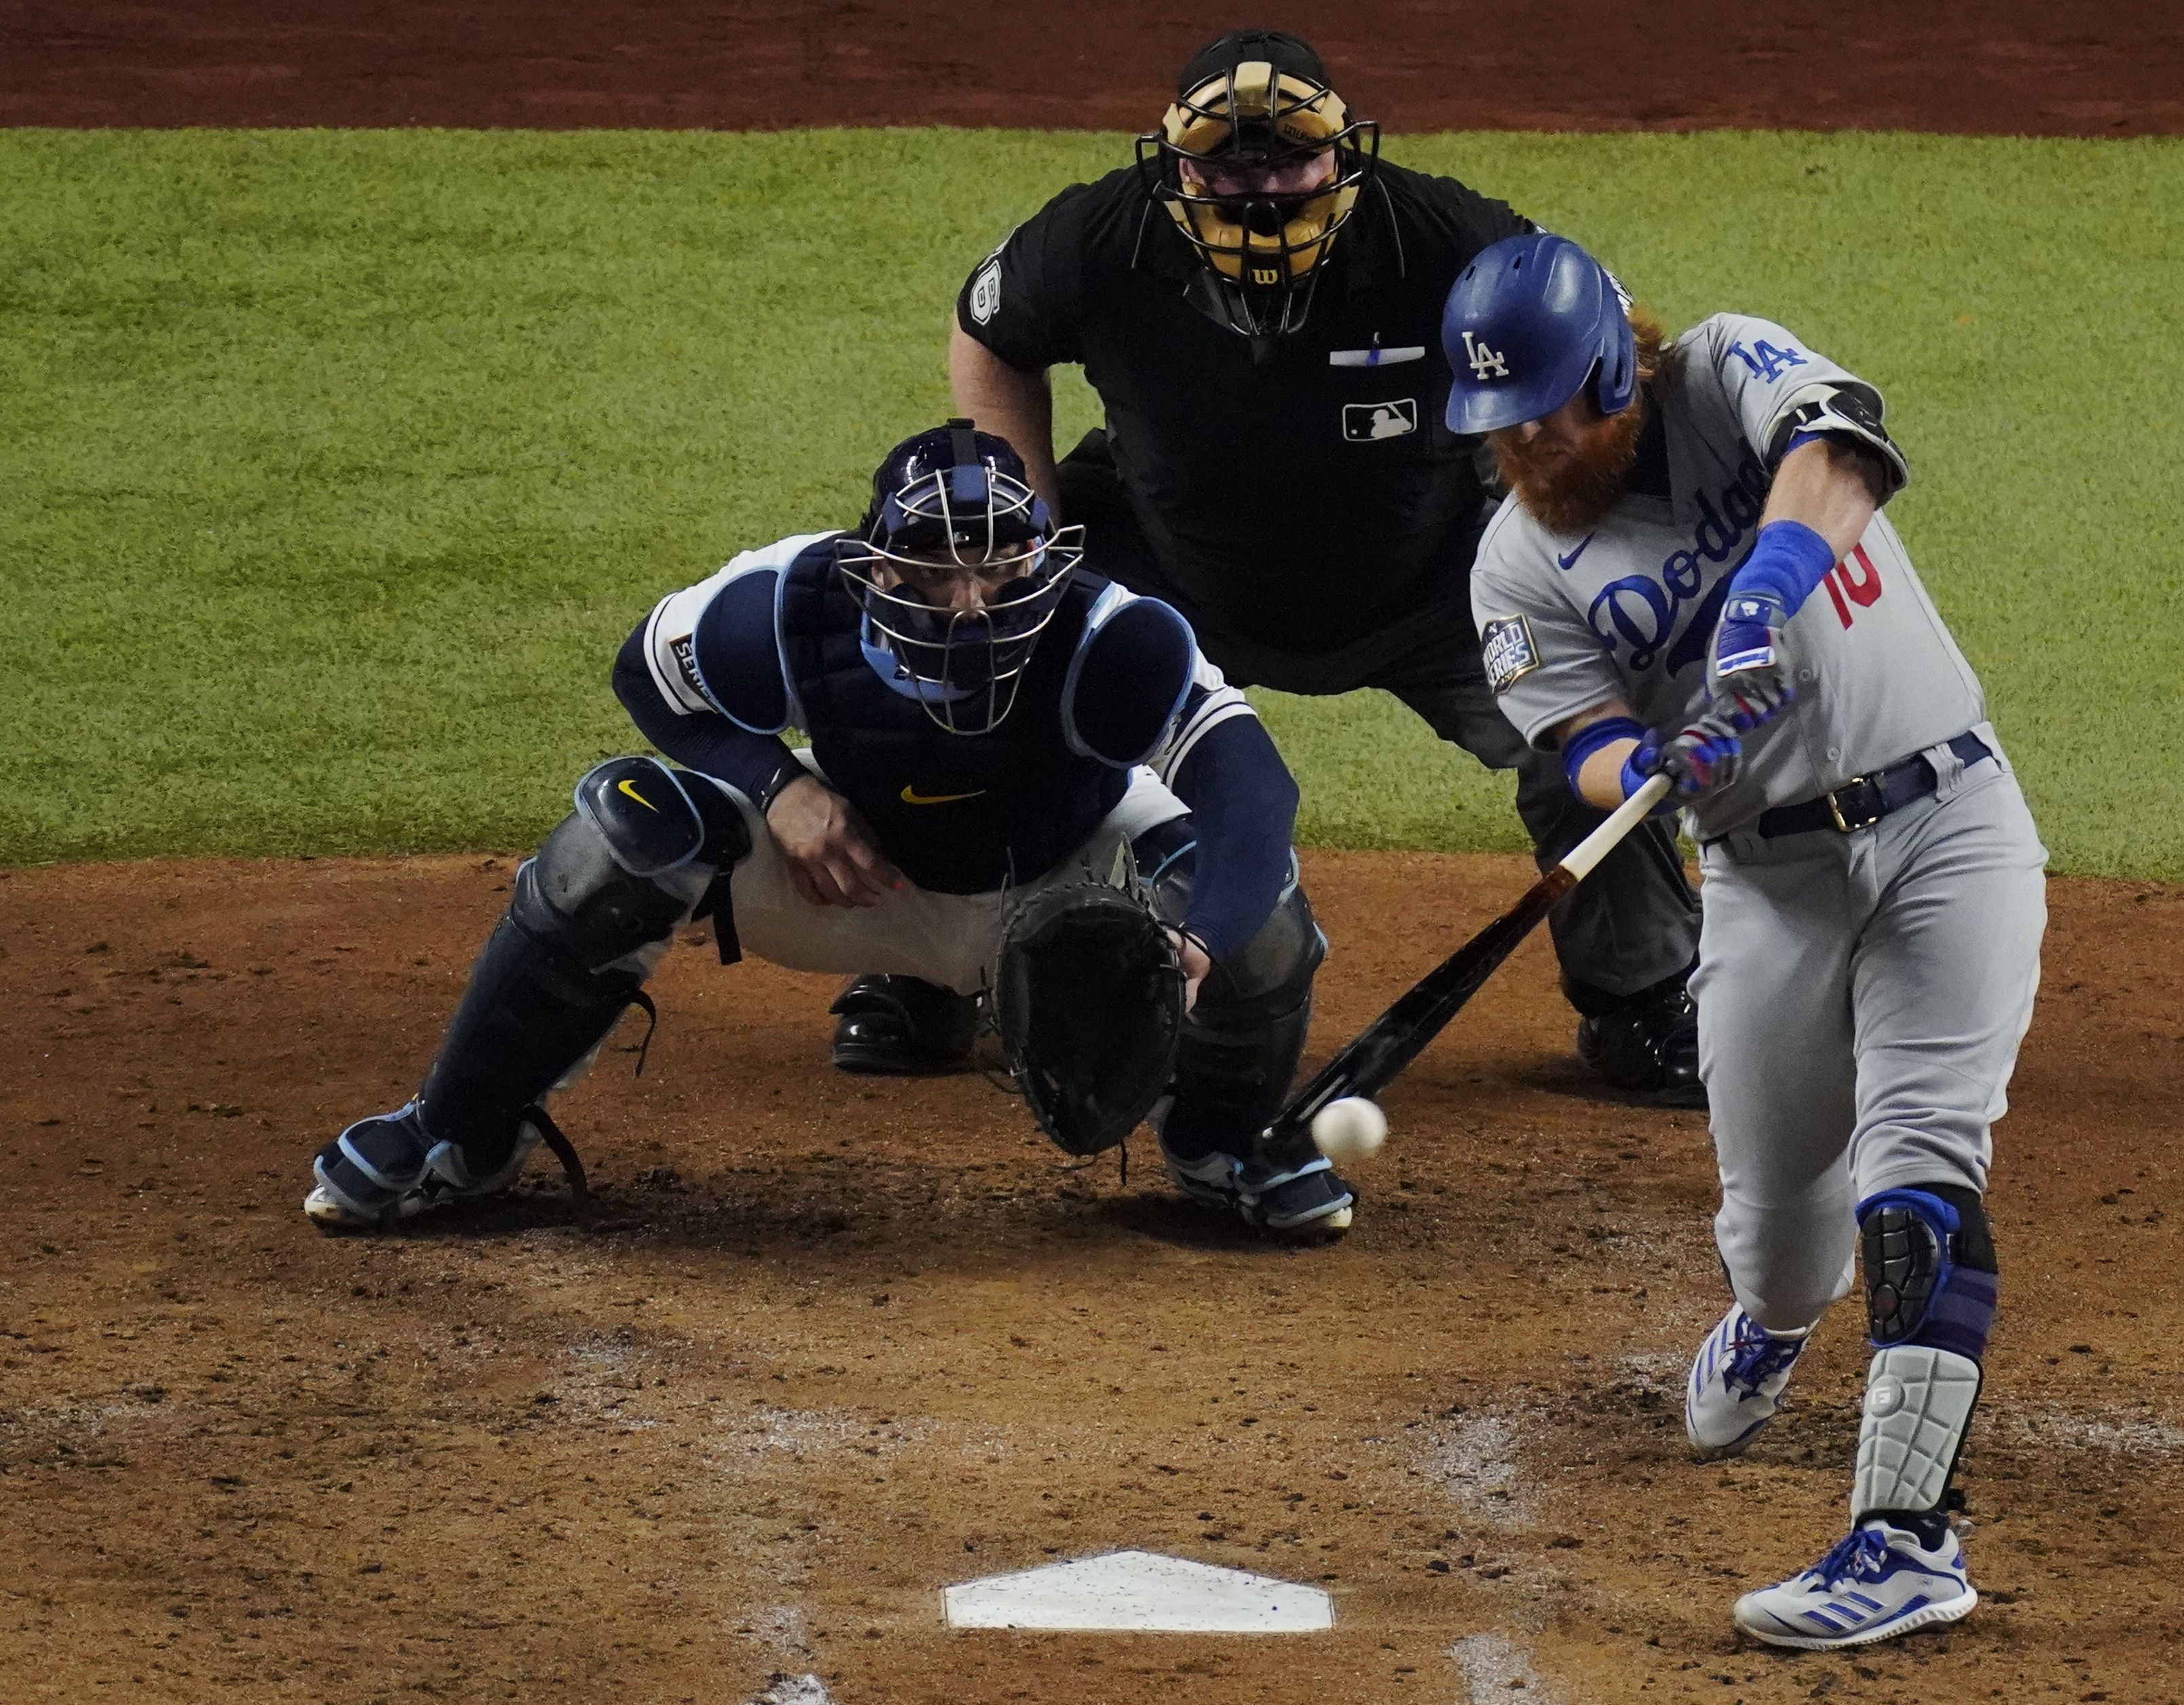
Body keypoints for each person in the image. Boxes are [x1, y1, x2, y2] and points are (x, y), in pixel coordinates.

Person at [827, 27, 1705, 1101]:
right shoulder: (1103, 237)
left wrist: (1566, 525)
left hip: (1435, 580)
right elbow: (989, 329)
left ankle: (1644, 996)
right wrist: (1030, 540)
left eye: (1288, 161)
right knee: (987, 647)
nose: (1261, 191)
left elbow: (1588, 336)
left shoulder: (1439, 235)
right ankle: (930, 969)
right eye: (1230, 167)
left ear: (1342, 156)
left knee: (1588, 713)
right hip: (1173, 557)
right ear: (1179, 167)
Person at [305, 421, 1355, 1239]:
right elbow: (647, 671)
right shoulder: (784, 604)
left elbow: (1253, 795)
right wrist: (775, 787)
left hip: (1067, 886)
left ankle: (1220, 1148)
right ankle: (459, 1129)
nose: (973, 603)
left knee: (1257, 905)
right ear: (878, 568)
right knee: (617, 836)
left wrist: (1195, 947)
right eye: (940, 571)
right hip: (850, 888)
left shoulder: (1114, 634)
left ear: (1045, 560)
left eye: (998, 568)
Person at [1448, 235, 2046, 1648]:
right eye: (1502, 424)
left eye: (1550, 408)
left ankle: (1908, 1540)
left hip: (1947, 816)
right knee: (1783, 1238)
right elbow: (1581, 751)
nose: (1529, 444)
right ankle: (1776, 1317)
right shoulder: (1514, 571)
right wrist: (1654, 760)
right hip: (1767, 884)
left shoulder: (1720, 368)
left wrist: (1766, 592)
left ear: (1613, 365)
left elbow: (1842, 449)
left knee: (1917, 1166)